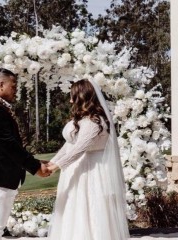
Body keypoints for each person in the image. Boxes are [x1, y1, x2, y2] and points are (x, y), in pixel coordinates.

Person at [0, 65, 50, 240]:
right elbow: (7, 144)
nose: (16, 90)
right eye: (13, 86)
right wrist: (35, 167)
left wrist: (37, 162)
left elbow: (9, 145)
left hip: (2, 179)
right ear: (1, 85)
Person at [47, 79, 129, 240]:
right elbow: (69, 145)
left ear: (82, 97)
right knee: (74, 208)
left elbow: (80, 148)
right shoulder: (82, 119)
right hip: (78, 169)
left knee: (89, 208)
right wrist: (52, 162)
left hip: (90, 171)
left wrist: (55, 167)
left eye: (73, 96)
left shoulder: (94, 122)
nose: (70, 100)